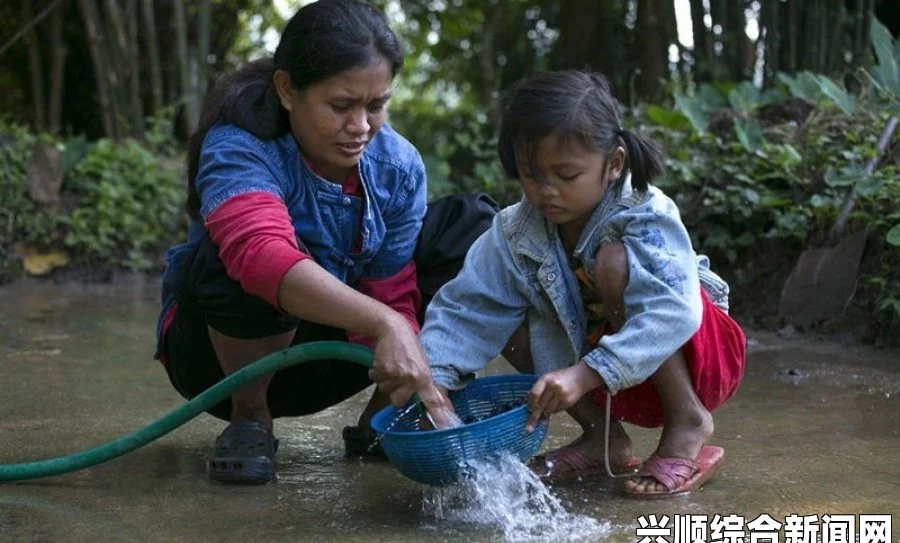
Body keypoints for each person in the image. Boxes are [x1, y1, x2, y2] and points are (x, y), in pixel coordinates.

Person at [154, 0, 499, 484]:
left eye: (376, 105)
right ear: (287, 90)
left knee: (474, 230)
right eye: (341, 106)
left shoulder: (397, 166)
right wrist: (384, 323)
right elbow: (259, 257)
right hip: (219, 367)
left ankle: (386, 419)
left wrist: (404, 344)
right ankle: (251, 418)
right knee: (236, 255)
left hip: (333, 359)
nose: (360, 127)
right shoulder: (238, 145)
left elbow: (393, 286)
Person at [418, 70, 747, 499]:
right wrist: (433, 385)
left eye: (566, 175)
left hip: (700, 358)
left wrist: (585, 374)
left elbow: (674, 312)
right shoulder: (515, 232)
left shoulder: (645, 212)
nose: (545, 191)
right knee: (508, 307)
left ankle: (688, 421)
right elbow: (467, 309)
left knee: (613, 263)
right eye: (530, 175)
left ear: (613, 164)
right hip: (604, 380)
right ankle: (602, 437)